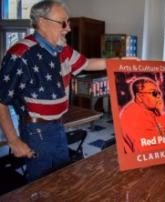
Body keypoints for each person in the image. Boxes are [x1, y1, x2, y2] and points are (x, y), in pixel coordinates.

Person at [0, 0, 136, 182]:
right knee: (40, 184)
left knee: (61, 177)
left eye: (68, 22)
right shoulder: (21, 54)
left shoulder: (62, 49)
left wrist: (120, 61)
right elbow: (1, 101)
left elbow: (88, 63)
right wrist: (14, 141)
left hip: (58, 125)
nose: (69, 28)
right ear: (42, 22)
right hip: (36, 130)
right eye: (63, 22)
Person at [120, 78, 165, 153]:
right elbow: (151, 150)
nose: (158, 96)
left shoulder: (149, 110)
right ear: (139, 97)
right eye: (154, 93)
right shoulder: (134, 115)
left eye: (158, 93)